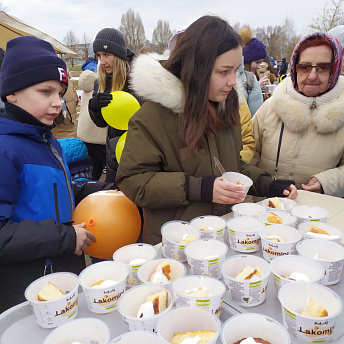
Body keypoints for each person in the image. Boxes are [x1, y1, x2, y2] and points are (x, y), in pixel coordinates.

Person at [115, 15, 297, 245]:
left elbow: (232, 167)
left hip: (224, 235)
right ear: (197, 69)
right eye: (224, 72)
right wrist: (197, 188)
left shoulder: (225, 106)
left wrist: (267, 185)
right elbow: (133, 181)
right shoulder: (152, 117)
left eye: (236, 70)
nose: (233, 81)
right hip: (178, 244)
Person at [0, 36, 113, 312]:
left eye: (61, 94)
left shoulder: (46, 139)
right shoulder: (5, 150)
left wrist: (95, 190)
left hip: (63, 278)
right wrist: (66, 238)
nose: (57, 103)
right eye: (45, 92)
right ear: (11, 93)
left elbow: (53, 191)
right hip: (29, 292)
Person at [252, 32, 344, 197]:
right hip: (265, 209)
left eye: (323, 67)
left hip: (317, 213)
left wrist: (327, 182)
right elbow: (247, 155)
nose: (312, 76)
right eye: (305, 66)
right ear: (294, 67)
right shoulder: (270, 108)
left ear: (334, 69)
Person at [88, 28, 142, 184]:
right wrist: (94, 108)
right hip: (114, 153)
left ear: (118, 55)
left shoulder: (140, 79)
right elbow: (101, 123)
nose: (101, 61)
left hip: (140, 153)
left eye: (106, 55)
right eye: (98, 56)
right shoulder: (101, 82)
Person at [77, 70, 107, 180]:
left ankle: (89, 192)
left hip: (85, 133)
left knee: (93, 170)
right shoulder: (101, 85)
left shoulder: (85, 87)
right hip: (99, 135)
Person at [51, 69, 79, 139]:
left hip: (56, 133)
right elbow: (76, 101)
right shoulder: (70, 85)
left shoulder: (50, 87)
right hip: (72, 129)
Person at [240, 27, 269, 91]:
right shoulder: (237, 78)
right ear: (247, 61)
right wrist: (257, 87)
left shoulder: (254, 76)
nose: (259, 67)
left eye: (260, 63)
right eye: (257, 62)